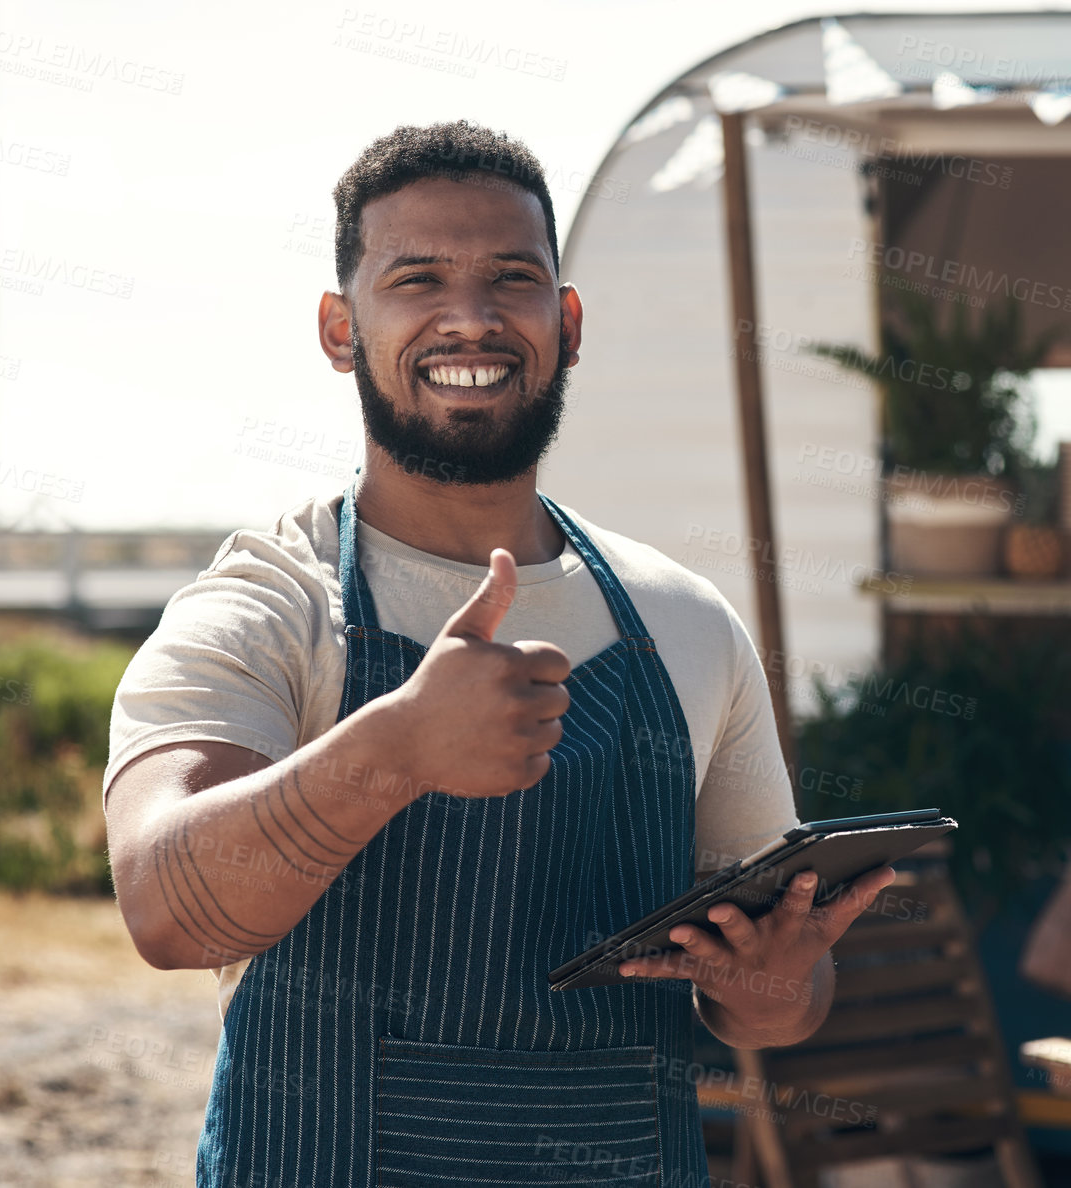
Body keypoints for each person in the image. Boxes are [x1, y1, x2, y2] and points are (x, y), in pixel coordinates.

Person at [102, 120, 895, 1188]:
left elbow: (774, 1006)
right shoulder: (268, 605)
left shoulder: (686, 621)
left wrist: (773, 986)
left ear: (566, 323)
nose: (468, 318)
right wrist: (393, 751)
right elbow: (162, 905)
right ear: (342, 330)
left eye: (511, 280)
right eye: (416, 279)